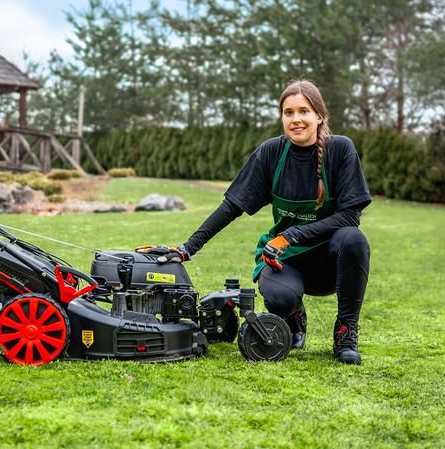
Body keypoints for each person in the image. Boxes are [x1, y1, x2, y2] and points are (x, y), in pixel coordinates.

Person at [146, 79, 371, 365]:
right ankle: (294, 318)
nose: (296, 119)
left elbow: (350, 215)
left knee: (353, 239)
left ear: (319, 116)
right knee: (279, 297)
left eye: (304, 111)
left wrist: (291, 235)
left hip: (330, 261)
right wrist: (187, 248)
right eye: (288, 113)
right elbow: (231, 207)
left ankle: (346, 333)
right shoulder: (271, 153)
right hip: (285, 258)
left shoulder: (340, 150)